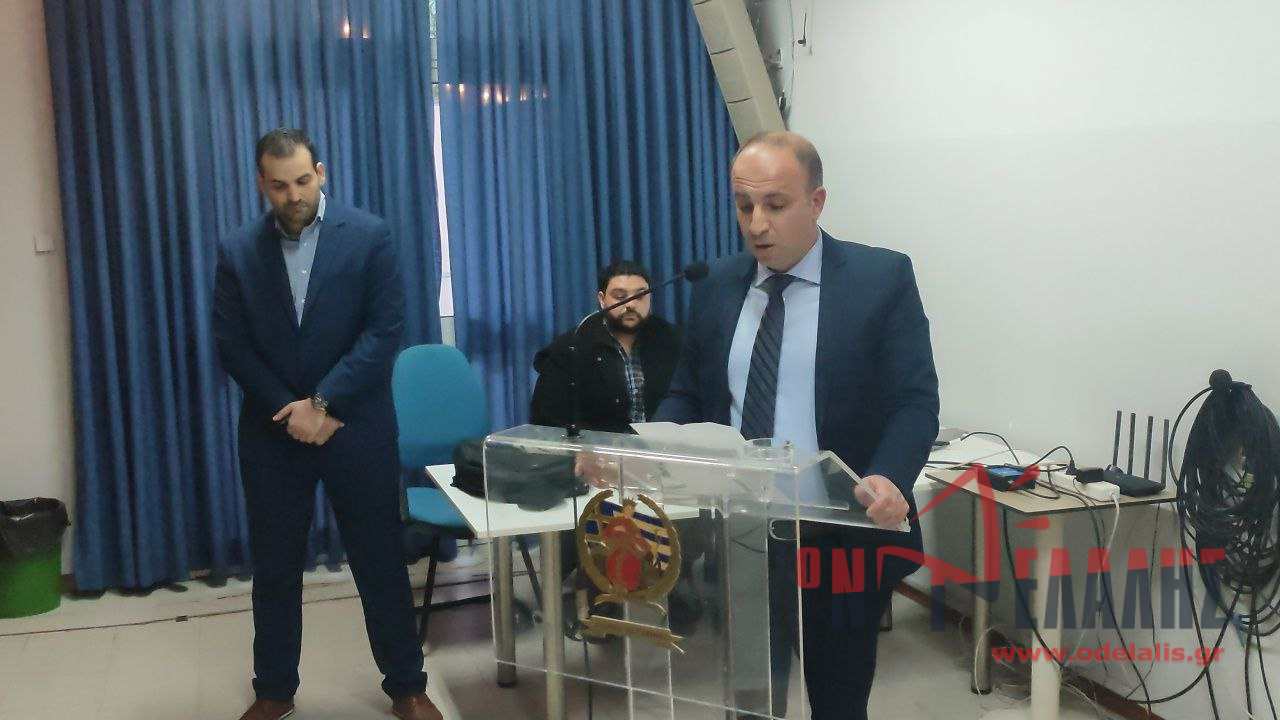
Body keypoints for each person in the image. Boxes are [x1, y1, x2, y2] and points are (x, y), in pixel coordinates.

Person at [654, 131, 940, 719]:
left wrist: (890, 476)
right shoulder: (716, 286)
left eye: (775, 205)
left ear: (817, 201)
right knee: (750, 702)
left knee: (838, 700)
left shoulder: (879, 279)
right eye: (744, 206)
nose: (756, 224)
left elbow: (914, 401)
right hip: (741, 537)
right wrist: (649, 447)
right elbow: (687, 392)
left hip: (837, 535)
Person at [213, 128, 443, 720]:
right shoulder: (238, 250)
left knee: (378, 561)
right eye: (279, 186)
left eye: (302, 181)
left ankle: (407, 686)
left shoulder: (369, 236)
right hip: (273, 431)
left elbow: (384, 330)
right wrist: (290, 408)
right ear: (261, 184)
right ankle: (274, 689)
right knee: (275, 567)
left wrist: (324, 403)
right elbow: (232, 345)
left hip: (355, 425)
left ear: (321, 172)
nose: (293, 196)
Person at [530, 260, 681, 433]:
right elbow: (546, 420)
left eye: (640, 296)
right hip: (599, 447)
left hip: (663, 445)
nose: (631, 304)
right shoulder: (572, 347)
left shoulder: (672, 339)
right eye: (620, 297)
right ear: (602, 300)